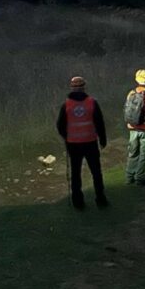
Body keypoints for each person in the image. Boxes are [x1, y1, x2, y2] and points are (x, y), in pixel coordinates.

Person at [56, 75, 108, 210]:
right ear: (84, 87)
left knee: (75, 174)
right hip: (90, 142)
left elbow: (60, 125)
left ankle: (78, 202)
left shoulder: (66, 105)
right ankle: (101, 199)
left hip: (73, 144)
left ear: (71, 88)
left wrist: (66, 137)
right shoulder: (92, 102)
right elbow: (99, 123)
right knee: (96, 172)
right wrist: (103, 139)